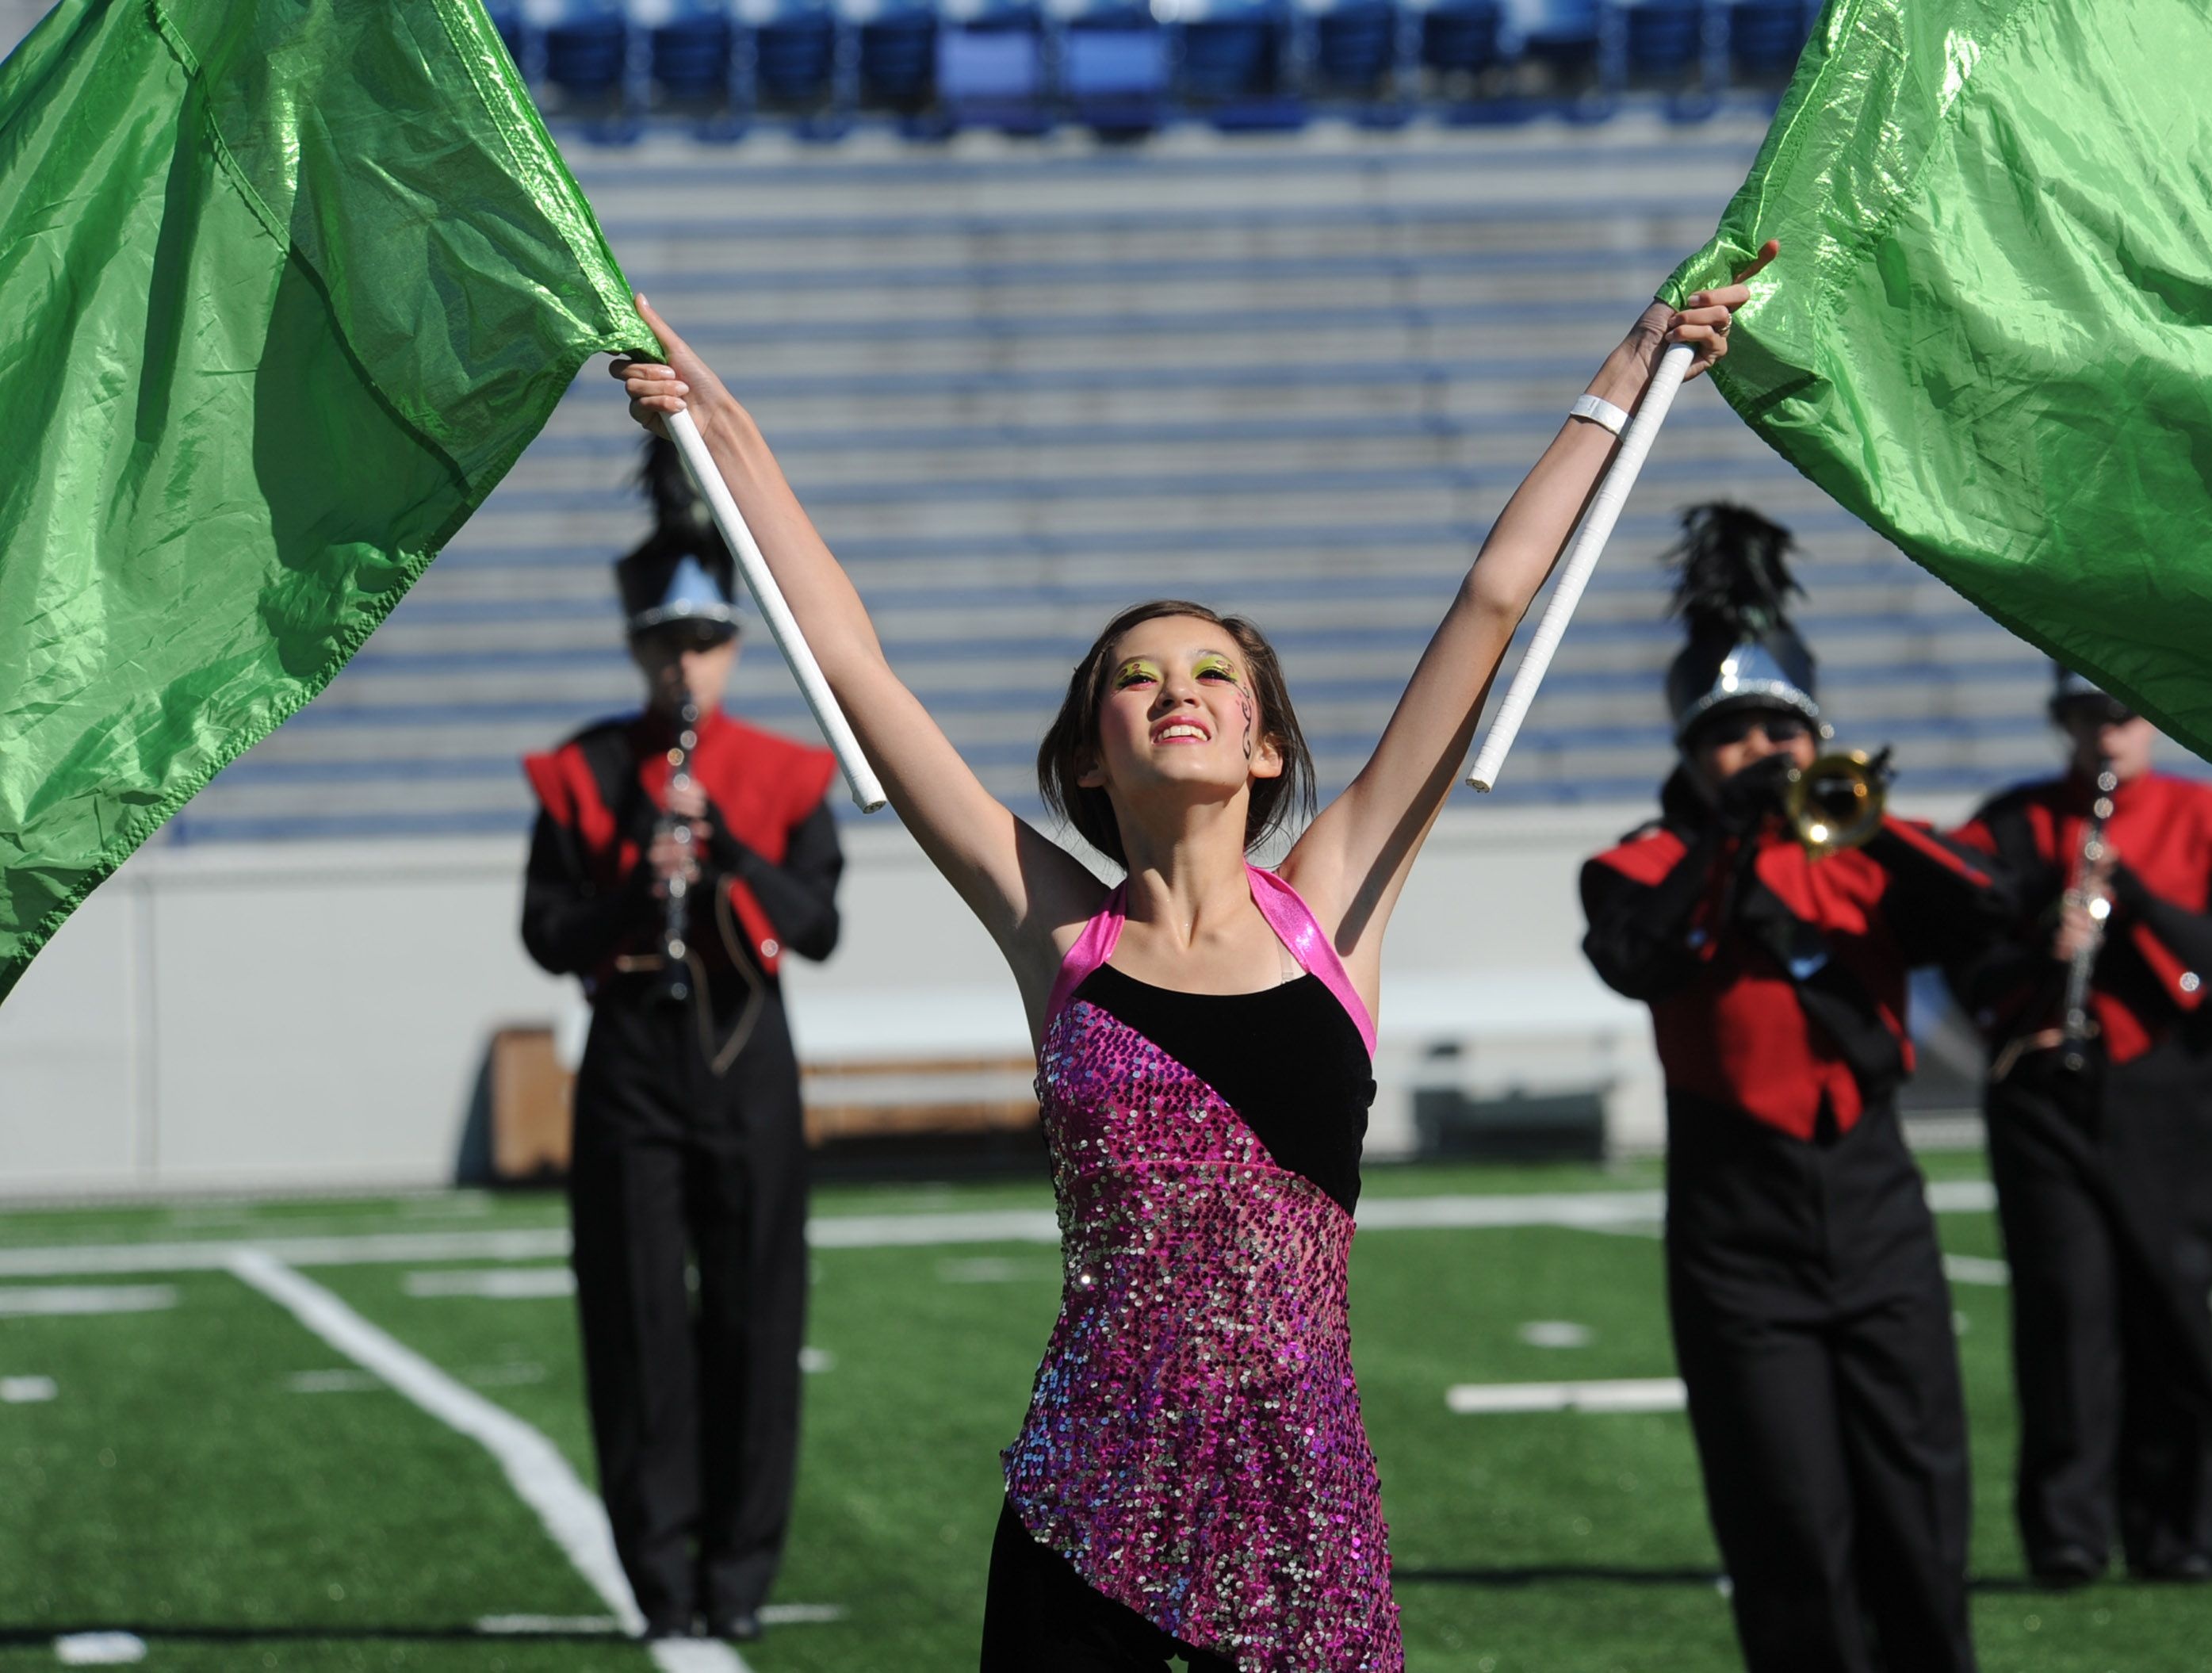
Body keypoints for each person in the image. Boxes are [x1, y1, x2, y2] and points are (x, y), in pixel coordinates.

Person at [610, 241, 1769, 1671]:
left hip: (1299, 1502)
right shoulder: (1060, 934)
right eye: (1136, 679)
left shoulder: (1334, 901)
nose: (1177, 692)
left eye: (1213, 672)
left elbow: (1490, 608)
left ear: (1267, 743)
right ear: (1090, 757)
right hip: (1081, 1503)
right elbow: (853, 666)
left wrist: (1628, 368)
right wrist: (720, 429)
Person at [1578, 505, 2004, 1673]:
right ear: (1687, 749)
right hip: (1738, 1232)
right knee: (1790, 1527)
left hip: (1877, 1213)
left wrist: (1862, 810)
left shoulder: (1874, 849)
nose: (1763, 750)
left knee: (1921, 1518)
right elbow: (1634, 958)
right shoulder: (1643, 864)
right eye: (1732, 733)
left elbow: (1987, 908)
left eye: (1783, 728)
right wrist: (1728, 831)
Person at [519, 438, 844, 1644]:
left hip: (747, 1055)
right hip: (630, 1060)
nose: (682, 666)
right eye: (662, 645)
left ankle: (742, 1574)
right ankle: (659, 1576)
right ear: (636, 647)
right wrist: (630, 885)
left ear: (732, 649)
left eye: (701, 644)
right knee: (637, 1316)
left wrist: (729, 856)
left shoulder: (784, 773)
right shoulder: (582, 770)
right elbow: (545, 931)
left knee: (759, 1317)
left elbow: (817, 927)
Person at [1948, 670, 2212, 1586]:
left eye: (2125, 716)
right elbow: (1966, 963)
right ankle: (2066, 1532)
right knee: (2065, 1314)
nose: (2108, 735)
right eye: (2088, 716)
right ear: (2063, 722)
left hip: (2168, 1100)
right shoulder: (2010, 824)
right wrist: (2039, 948)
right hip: (2044, 1094)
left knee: (2172, 1308)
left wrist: (2133, 901)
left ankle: (2182, 1529)